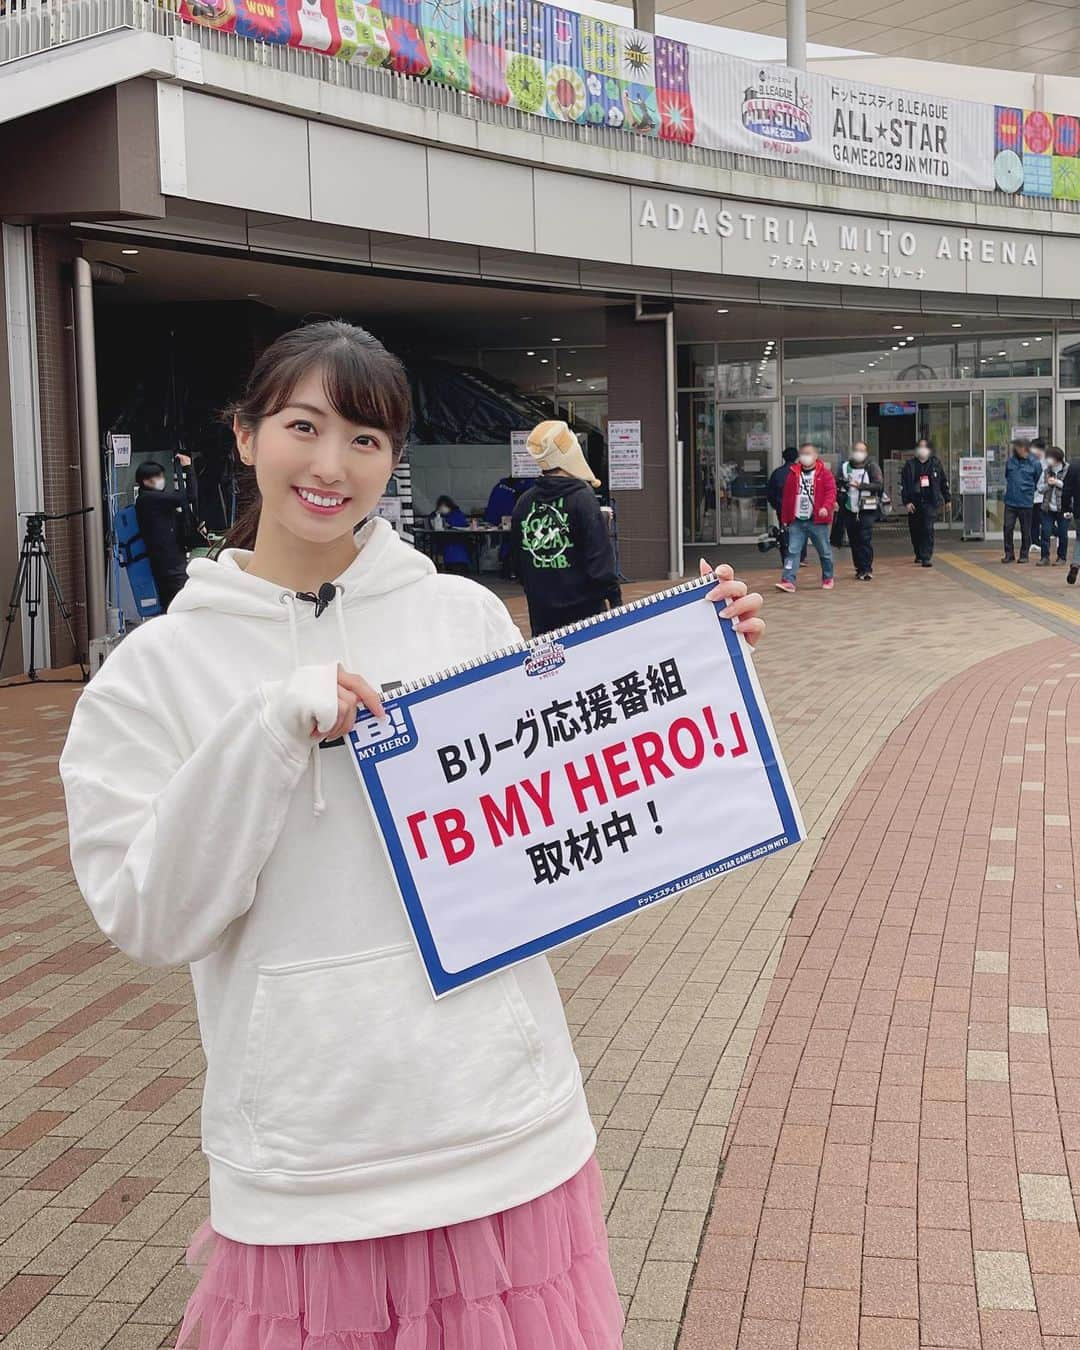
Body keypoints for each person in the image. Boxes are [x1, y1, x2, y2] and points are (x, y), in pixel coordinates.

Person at [60, 321, 765, 1350]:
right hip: (309, 1159)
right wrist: (269, 729)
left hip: (504, 1131)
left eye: (367, 439)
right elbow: (151, 919)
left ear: (393, 460)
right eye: (304, 426)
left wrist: (696, 667)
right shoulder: (154, 672)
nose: (331, 465)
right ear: (245, 435)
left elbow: (546, 852)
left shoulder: (460, 619)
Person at [511, 420, 622, 636]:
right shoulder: (582, 498)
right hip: (585, 615)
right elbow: (599, 562)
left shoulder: (524, 503)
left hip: (542, 615)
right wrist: (615, 599)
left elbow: (519, 563)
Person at [133, 454, 199, 610]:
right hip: (169, 564)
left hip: (168, 560)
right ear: (145, 481)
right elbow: (190, 496)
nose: (161, 480)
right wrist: (188, 467)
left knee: (174, 604)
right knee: (180, 604)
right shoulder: (149, 499)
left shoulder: (152, 498)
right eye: (156, 477)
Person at [775, 442, 837, 593]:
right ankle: (788, 580)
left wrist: (825, 507)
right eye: (803, 453)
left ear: (815, 456)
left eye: (809, 453)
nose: (805, 457)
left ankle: (828, 577)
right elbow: (787, 497)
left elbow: (831, 492)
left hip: (817, 520)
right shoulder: (793, 473)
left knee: (824, 551)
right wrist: (785, 518)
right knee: (793, 551)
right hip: (797, 520)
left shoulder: (825, 474)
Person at [836, 440, 884, 581]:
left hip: (867, 509)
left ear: (866, 453)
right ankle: (859, 568)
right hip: (849, 508)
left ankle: (867, 568)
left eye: (861, 450)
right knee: (854, 540)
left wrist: (861, 486)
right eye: (856, 450)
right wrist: (844, 485)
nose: (858, 453)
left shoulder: (872, 467)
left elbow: (878, 485)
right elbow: (836, 482)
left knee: (865, 538)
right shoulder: (844, 467)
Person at [901, 438, 949, 567]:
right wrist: (906, 502)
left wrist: (947, 498)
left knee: (928, 529)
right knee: (915, 530)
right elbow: (904, 485)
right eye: (920, 446)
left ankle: (926, 556)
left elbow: (943, 482)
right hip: (914, 501)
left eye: (925, 447)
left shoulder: (935, 464)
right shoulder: (910, 465)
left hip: (930, 501)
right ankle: (918, 553)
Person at [1002, 437, 1043, 563]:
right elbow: (1007, 475)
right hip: (1010, 500)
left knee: (1026, 529)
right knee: (1008, 527)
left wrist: (1028, 490)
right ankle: (1009, 553)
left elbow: (1037, 478)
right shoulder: (1010, 461)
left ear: (1025, 448)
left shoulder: (1034, 463)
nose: (1016, 449)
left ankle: (1024, 554)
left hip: (1025, 501)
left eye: (1018, 446)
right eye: (1016, 446)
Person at [767, 447, 803, 562]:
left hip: (782, 508)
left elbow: (770, 492)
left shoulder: (777, 473)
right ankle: (800, 557)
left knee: (785, 531)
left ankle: (786, 556)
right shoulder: (801, 472)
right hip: (799, 508)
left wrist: (776, 505)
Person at [1037, 447, 1069, 567]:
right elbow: (1039, 488)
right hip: (1048, 508)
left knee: (1063, 533)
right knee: (1045, 531)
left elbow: (1071, 487)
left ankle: (1062, 557)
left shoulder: (1068, 470)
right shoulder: (1046, 471)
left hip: (1064, 508)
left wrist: (1057, 483)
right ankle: (1044, 557)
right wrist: (1048, 485)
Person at [430, 493, 470, 574]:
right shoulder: (441, 515)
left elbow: (460, 523)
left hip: (455, 547)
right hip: (451, 548)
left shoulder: (456, 514)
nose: (441, 509)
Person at [1062, 452, 1080, 585]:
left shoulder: (1074, 466)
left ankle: (1075, 564)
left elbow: (1066, 491)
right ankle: (1075, 563)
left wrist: (1066, 508)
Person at [1031, 438, 1047, 558]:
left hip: (1042, 496)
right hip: (1035, 496)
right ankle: (1035, 542)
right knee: (1034, 521)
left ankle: (1058, 533)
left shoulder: (1046, 461)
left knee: (1043, 520)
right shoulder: (1034, 460)